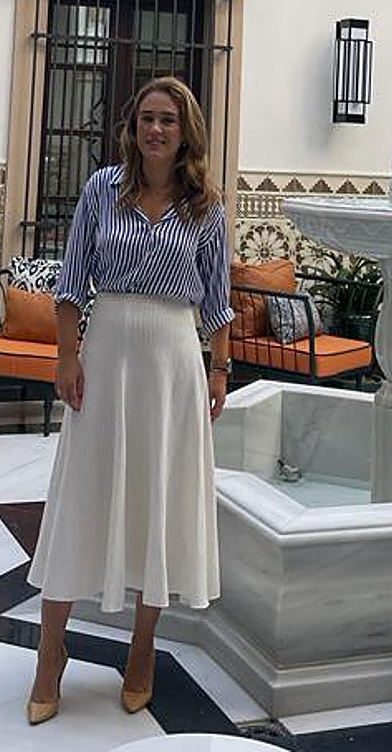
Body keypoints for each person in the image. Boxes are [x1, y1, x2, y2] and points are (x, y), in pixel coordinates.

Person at [25, 76, 234, 725]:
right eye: (147, 117)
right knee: (81, 493)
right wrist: (66, 356)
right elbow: (70, 283)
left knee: (158, 500)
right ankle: (50, 651)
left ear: (185, 130)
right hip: (107, 354)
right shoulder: (101, 189)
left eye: (168, 119)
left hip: (173, 362)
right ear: (133, 126)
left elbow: (217, 300)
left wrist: (219, 370)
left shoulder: (207, 208)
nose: (156, 129)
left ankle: (143, 648)